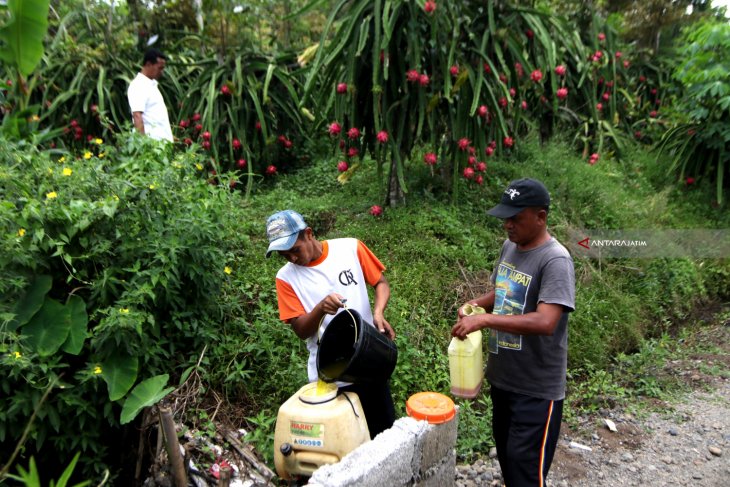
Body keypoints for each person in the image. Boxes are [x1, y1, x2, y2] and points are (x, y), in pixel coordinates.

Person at [451, 178, 575, 487]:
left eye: (515, 218)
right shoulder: (511, 245)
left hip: (535, 389)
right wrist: (476, 304)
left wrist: (485, 321)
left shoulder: (555, 260)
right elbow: (504, 290)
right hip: (504, 380)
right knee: (509, 460)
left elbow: (546, 321)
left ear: (541, 217)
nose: (507, 225)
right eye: (505, 217)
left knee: (525, 472)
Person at [266, 209, 396, 438]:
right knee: (344, 442)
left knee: (384, 434)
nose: (292, 259)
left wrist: (378, 312)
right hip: (330, 375)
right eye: (284, 255)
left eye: (295, 250)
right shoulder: (285, 278)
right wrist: (319, 309)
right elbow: (301, 330)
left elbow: (381, 283)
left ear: (308, 233)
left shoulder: (350, 248)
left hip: (368, 359)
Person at [127, 48, 173, 142]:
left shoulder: (151, 85)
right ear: (148, 64)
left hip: (161, 145)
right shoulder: (138, 85)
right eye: (159, 68)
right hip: (152, 146)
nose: (162, 72)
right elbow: (137, 115)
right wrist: (143, 145)